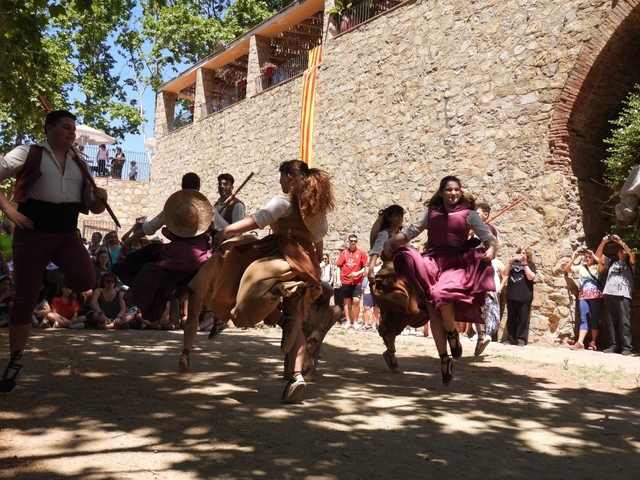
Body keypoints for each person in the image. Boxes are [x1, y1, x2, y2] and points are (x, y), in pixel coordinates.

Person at [189, 159, 335, 403]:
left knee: (248, 286)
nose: (280, 181)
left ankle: (280, 320)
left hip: (283, 256)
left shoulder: (284, 201)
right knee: (296, 322)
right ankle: (297, 377)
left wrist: (227, 231)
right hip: (306, 266)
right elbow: (318, 249)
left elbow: (260, 219)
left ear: (289, 176)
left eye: (281, 176)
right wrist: (312, 266)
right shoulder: (314, 210)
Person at [0, 109, 108, 394]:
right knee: (24, 298)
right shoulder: (28, 153)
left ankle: (48, 276)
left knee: (86, 279)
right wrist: (9, 209)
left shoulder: (80, 164)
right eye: (66, 127)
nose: (72, 132)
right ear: (49, 129)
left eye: (74, 128)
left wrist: (101, 199)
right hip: (32, 232)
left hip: (66, 235)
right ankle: (15, 359)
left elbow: (94, 207)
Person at [385, 176, 496, 385]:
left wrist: (491, 248)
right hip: (431, 263)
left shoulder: (469, 214)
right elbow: (410, 232)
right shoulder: (431, 214)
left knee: (440, 294)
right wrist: (390, 241)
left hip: (456, 263)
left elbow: (487, 236)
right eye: (449, 190)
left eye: (456, 190)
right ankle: (444, 359)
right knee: (433, 309)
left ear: (460, 192)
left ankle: (452, 333)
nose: (453, 193)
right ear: (442, 192)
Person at [368, 204, 428, 373]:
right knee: (397, 311)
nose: (399, 218)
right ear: (389, 217)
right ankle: (391, 351)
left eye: (401, 215)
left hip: (405, 279)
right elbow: (376, 250)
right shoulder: (384, 234)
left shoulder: (400, 237)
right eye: (396, 215)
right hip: (390, 278)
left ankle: (388, 343)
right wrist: (371, 269)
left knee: (412, 310)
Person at [596, 234, 635, 355]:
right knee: (611, 321)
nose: (621, 251)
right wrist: (603, 242)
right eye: (619, 249)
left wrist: (620, 241)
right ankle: (613, 345)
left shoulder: (630, 263)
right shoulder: (611, 262)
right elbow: (598, 257)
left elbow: (632, 254)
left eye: (623, 250)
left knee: (624, 321)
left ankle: (627, 347)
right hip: (609, 293)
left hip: (623, 295)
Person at [563, 248, 603, 350]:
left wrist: (593, 255)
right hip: (583, 297)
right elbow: (567, 269)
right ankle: (580, 342)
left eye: (590, 257)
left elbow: (603, 265)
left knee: (595, 318)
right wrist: (573, 259)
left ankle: (593, 342)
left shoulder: (597, 267)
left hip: (596, 296)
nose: (588, 258)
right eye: (586, 257)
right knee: (583, 319)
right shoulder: (581, 268)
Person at [504, 246, 537, 346]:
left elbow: (531, 277)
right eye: (520, 253)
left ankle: (521, 339)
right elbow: (504, 273)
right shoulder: (513, 263)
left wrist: (525, 264)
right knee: (511, 318)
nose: (522, 255)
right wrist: (510, 262)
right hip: (511, 295)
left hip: (524, 296)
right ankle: (510, 339)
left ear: (528, 255)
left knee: (523, 318)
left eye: (524, 253)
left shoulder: (530, 264)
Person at [336, 235, 368, 329]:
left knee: (356, 301)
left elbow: (365, 267)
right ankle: (348, 322)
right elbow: (338, 266)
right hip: (345, 281)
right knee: (346, 301)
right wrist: (338, 279)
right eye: (351, 241)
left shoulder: (361, 253)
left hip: (357, 281)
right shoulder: (344, 253)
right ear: (349, 241)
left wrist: (357, 273)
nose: (353, 242)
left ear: (357, 242)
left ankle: (355, 322)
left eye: (355, 241)